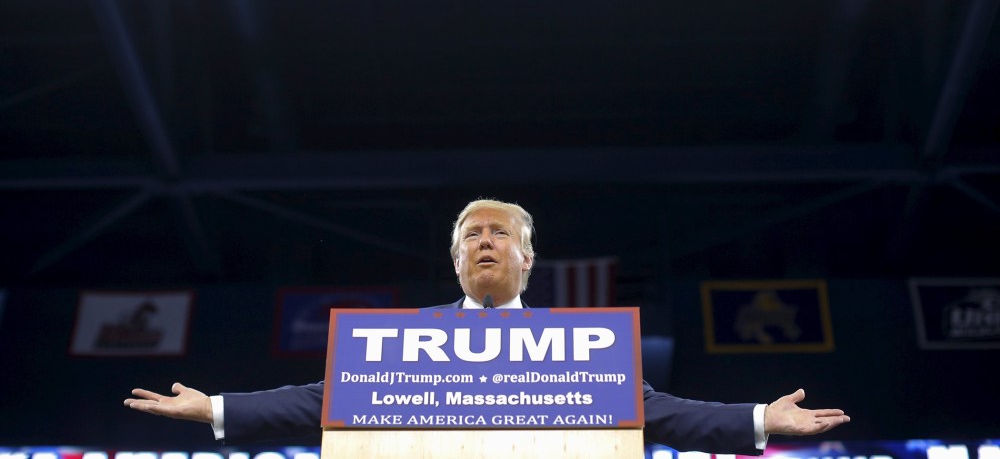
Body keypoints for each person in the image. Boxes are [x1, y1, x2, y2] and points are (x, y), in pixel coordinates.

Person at [125, 199, 851, 452]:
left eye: (500, 233)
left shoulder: (579, 350)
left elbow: (657, 413)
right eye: (472, 233)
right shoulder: (403, 341)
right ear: (455, 258)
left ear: (526, 257)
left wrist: (761, 419)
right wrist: (213, 408)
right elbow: (319, 402)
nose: (485, 241)